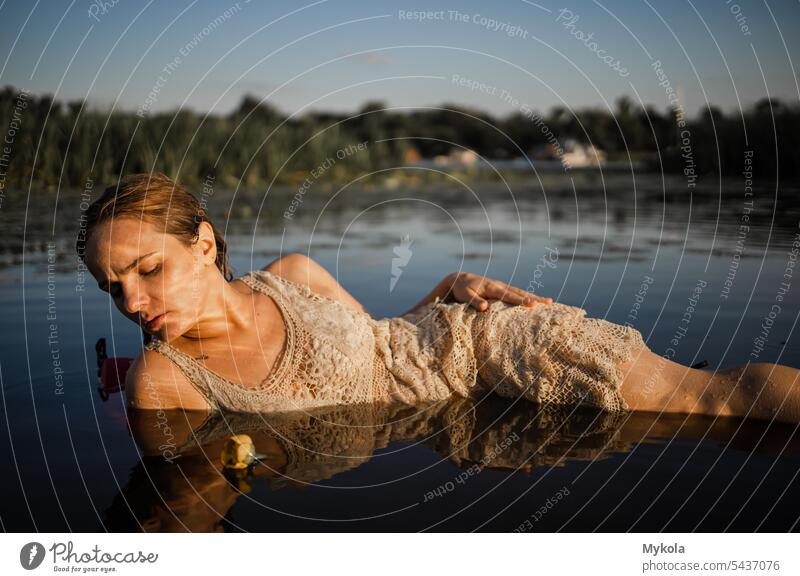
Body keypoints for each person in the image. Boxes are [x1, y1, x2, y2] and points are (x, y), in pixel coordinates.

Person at [77, 173, 800, 423]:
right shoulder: (165, 379)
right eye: (113, 287)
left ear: (203, 244)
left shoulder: (294, 271)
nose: (133, 303)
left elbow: (386, 338)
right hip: (447, 418)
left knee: (711, 398)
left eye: (147, 269)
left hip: (478, 339)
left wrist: (449, 286)